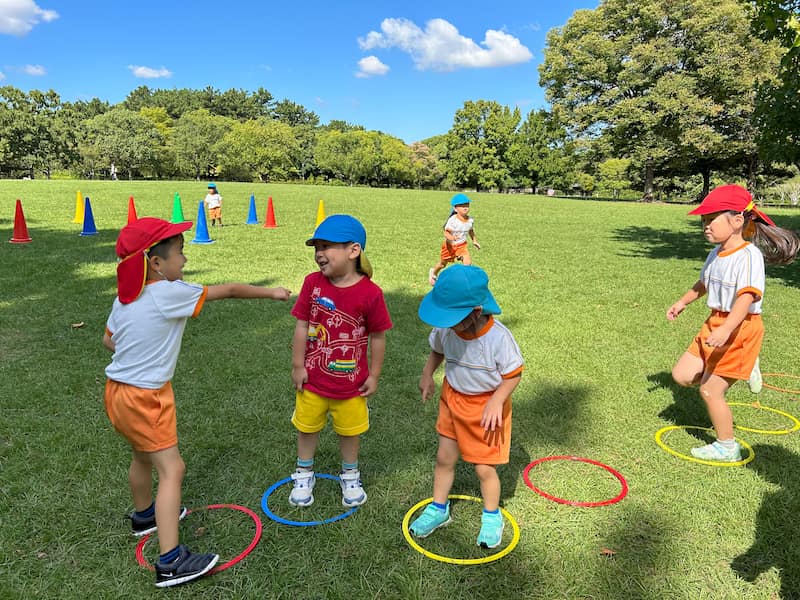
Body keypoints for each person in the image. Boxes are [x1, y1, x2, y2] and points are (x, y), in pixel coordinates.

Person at [102, 217, 291, 587]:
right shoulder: (167, 292)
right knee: (172, 470)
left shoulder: (126, 297)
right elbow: (230, 290)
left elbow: (109, 340)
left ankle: (145, 517)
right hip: (147, 397)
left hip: (117, 391)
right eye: (180, 253)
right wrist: (271, 293)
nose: (185, 260)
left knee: (142, 456)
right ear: (156, 264)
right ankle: (171, 561)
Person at [667, 185, 799, 462]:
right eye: (703, 221)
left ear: (737, 221)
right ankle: (745, 366)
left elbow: (746, 297)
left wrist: (727, 329)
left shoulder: (748, 256)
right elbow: (704, 283)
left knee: (709, 390)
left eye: (710, 219)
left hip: (740, 327)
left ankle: (727, 446)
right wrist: (682, 302)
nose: (705, 226)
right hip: (714, 322)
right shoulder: (716, 252)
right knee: (681, 376)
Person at [410, 264, 523, 549]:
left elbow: (513, 374)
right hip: (452, 399)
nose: (447, 325)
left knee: (484, 468)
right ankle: (438, 508)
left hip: (485, 408)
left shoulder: (498, 338)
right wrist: (427, 374)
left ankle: (492, 515)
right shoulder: (447, 329)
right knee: (444, 458)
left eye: (452, 318)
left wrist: (498, 400)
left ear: (475, 312)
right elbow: (437, 350)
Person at [289, 214, 392, 509]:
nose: (319, 254)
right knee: (307, 428)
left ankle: (350, 476)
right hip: (313, 381)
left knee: (350, 432)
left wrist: (374, 374)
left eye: (326, 246)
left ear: (353, 250)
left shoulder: (371, 293)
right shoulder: (312, 284)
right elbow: (301, 324)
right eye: (316, 247)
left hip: (352, 387)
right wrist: (298, 365)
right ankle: (303, 473)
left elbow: (378, 337)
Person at [429, 193, 480, 286]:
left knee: (467, 263)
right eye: (462, 206)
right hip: (449, 246)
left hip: (462, 245)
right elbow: (446, 232)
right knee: (442, 264)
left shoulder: (470, 220)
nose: (465, 208)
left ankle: (464, 283)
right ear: (455, 209)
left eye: (467, 205)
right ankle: (433, 273)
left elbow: (471, 231)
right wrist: (452, 238)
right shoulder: (453, 220)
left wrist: (474, 241)